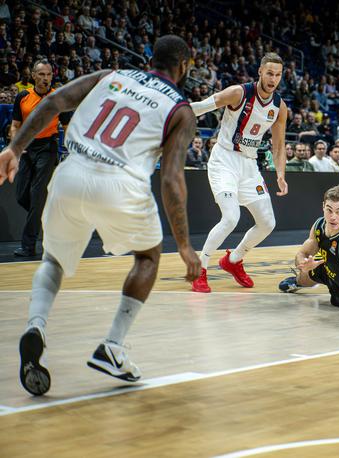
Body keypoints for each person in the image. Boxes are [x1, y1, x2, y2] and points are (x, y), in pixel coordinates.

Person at [0, 35, 201, 395]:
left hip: (71, 173)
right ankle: (113, 345)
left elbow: (54, 101)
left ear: (150, 58)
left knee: (54, 259)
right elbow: (171, 179)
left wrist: (15, 147)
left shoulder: (112, 74)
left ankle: (36, 325)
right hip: (121, 185)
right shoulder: (181, 109)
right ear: (185, 65)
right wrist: (184, 245)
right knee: (147, 256)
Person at [189, 52, 288, 293]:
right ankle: (199, 269)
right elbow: (201, 107)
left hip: (248, 165)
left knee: (267, 223)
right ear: (260, 72)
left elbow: (278, 145)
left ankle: (233, 261)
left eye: (277, 74)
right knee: (231, 218)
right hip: (224, 160)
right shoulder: (239, 92)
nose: (273, 78)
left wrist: (280, 174)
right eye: (269, 73)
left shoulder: (279, 107)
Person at [11, 60, 71, 257]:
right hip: (27, 148)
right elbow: (15, 125)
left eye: (48, 75)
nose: (46, 78)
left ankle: (28, 246)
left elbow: (66, 126)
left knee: (37, 196)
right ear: (34, 76)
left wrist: (69, 149)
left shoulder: (57, 97)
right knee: (21, 196)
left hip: (48, 148)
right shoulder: (23, 96)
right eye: (42, 75)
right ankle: (50, 221)